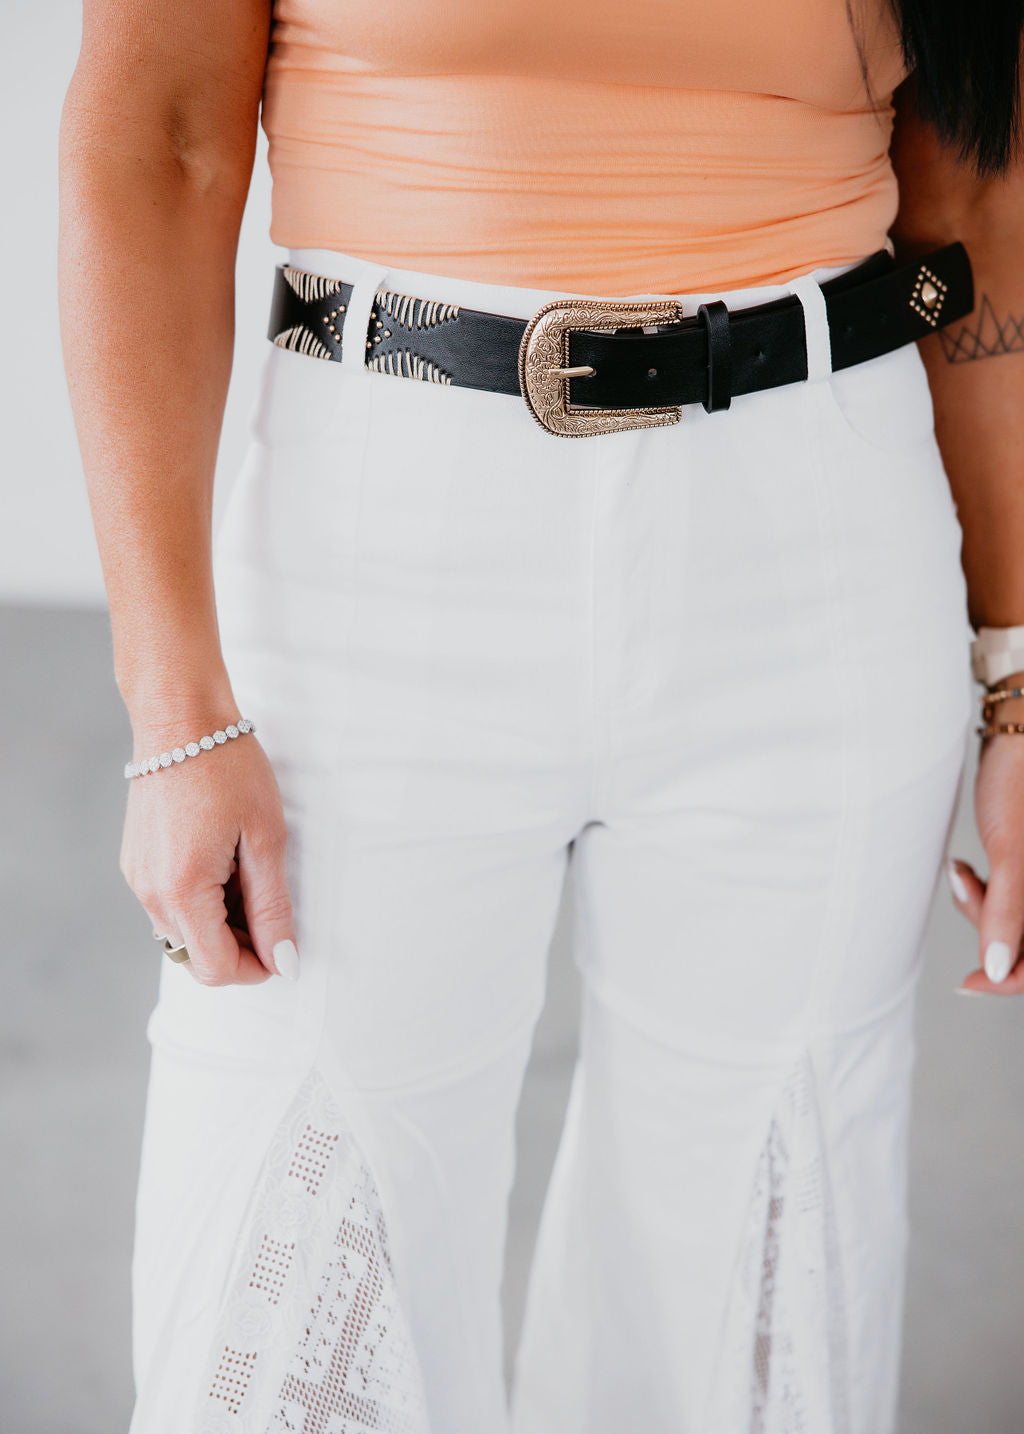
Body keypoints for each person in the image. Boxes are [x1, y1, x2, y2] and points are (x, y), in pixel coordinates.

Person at [57, 1, 1024, 1431]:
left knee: (758, 1278)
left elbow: (970, 204)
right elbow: (164, 136)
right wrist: (174, 705)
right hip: (372, 537)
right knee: (289, 1283)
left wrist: (1016, 678)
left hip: (817, 533)